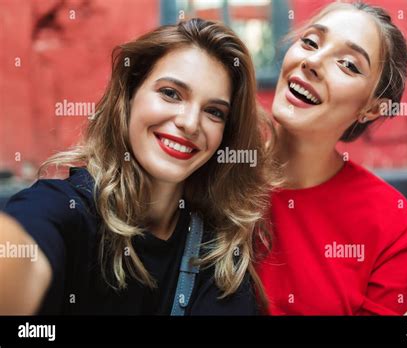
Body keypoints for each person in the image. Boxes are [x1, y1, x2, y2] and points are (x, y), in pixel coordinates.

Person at [0, 18, 274, 315]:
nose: (190, 123)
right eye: (171, 93)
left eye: (214, 111)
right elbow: (21, 263)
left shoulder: (217, 250)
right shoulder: (65, 207)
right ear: (129, 96)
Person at [256, 1, 407, 315]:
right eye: (310, 42)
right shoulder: (217, 171)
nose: (313, 61)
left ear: (372, 109)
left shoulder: (389, 222)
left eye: (348, 64)